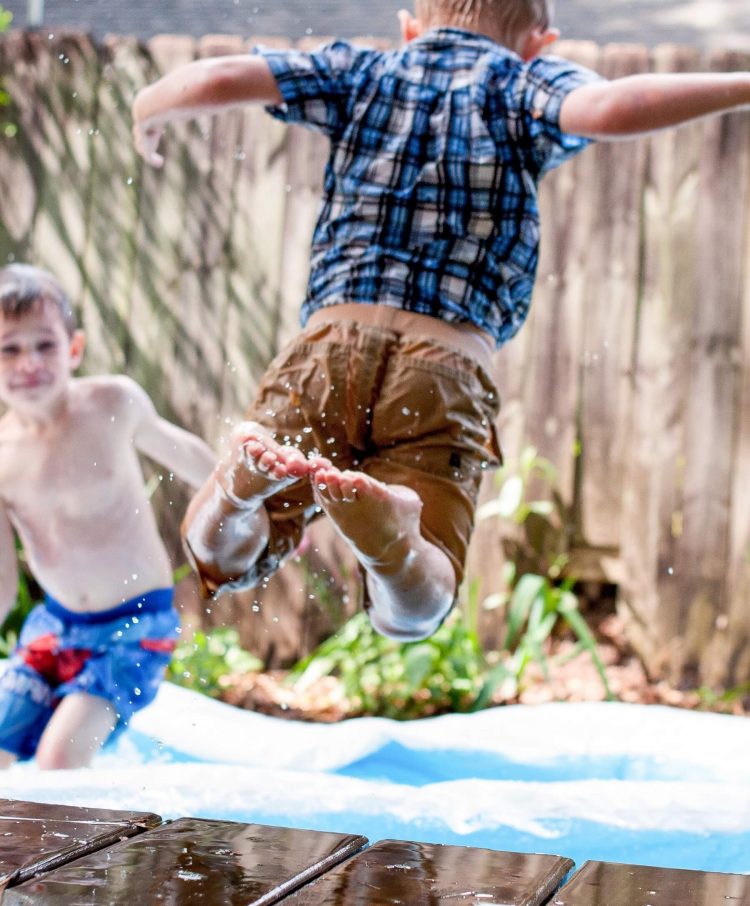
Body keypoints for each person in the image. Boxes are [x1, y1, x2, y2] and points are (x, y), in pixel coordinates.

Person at [131, 0, 750, 643]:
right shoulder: (522, 82)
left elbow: (217, 78)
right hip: (446, 365)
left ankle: (235, 491)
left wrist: (151, 106)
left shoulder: (363, 70)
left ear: (410, 26)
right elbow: (613, 107)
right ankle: (395, 549)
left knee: (219, 559)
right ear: (540, 42)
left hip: (327, 345)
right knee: (418, 608)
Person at [0, 264, 216, 769]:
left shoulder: (111, 404)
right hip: (54, 625)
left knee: (58, 762)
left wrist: (262, 513)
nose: (28, 362)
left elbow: (186, 456)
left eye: (44, 345)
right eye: (9, 348)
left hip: (136, 621)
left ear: (74, 349)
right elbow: (3, 582)